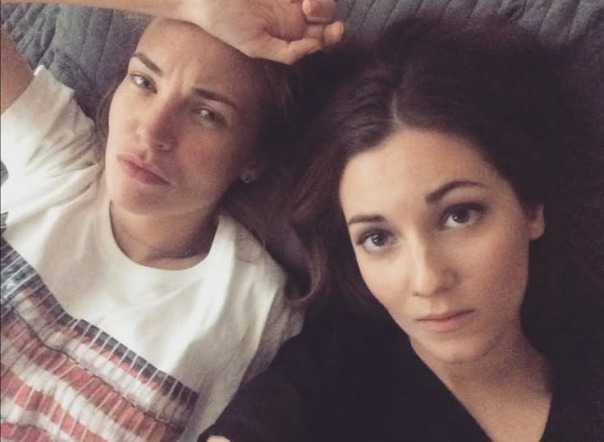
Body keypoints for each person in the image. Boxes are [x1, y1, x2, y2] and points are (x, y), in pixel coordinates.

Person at [200, 18, 604, 442]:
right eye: (378, 238)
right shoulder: (330, 379)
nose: (427, 280)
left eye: (460, 215)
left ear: (530, 207)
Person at [0, 0, 342, 440]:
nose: (151, 130)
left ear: (255, 156)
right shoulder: (61, 163)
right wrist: (189, 5)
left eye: (206, 114)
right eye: (144, 81)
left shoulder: (252, 309)